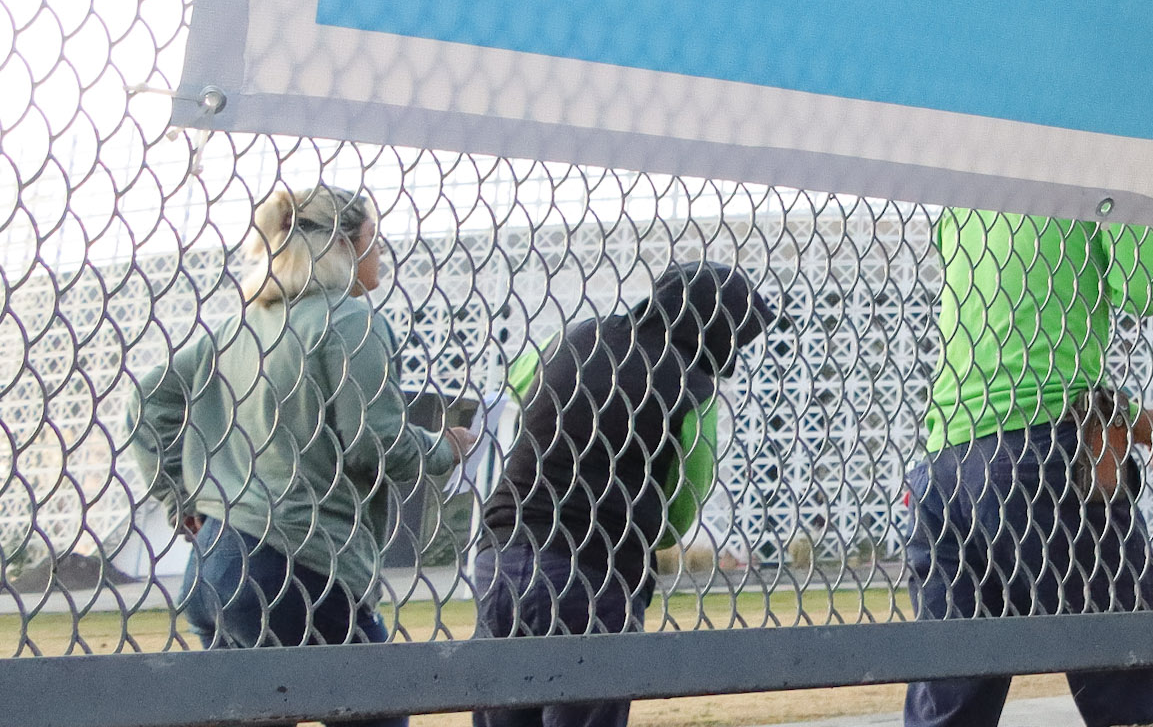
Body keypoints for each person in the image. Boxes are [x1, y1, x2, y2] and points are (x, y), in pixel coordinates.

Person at [128, 186, 471, 727]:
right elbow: (371, 444)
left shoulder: (241, 327)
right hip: (300, 562)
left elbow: (148, 402)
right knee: (376, 710)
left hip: (214, 562)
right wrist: (442, 449)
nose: (382, 251)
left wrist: (180, 497)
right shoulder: (349, 321)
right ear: (341, 244)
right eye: (372, 238)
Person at [904, 209, 1153, 727]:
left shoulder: (969, 181)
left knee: (951, 702)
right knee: (1126, 683)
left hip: (946, 459)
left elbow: (1017, 336)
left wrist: (1129, 418)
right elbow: (1147, 287)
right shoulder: (1098, 161)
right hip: (1049, 451)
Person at [471, 262, 777, 727]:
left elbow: (519, 381)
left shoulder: (574, 336)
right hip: (595, 568)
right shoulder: (695, 390)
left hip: (505, 550)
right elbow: (678, 514)